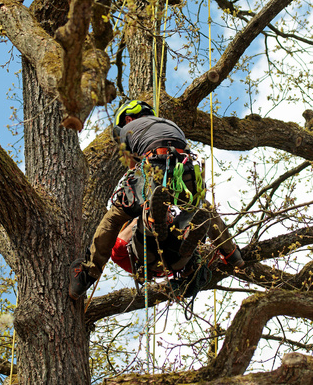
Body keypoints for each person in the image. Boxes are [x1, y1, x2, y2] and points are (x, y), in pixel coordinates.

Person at [69, 100, 244, 300]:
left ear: (128, 118)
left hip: (154, 166)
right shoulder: (171, 125)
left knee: (115, 215)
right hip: (185, 167)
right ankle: (232, 254)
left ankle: (88, 273)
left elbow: (131, 163)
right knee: (199, 208)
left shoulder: (126, 129)